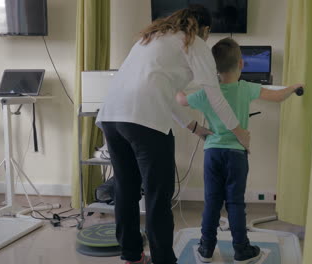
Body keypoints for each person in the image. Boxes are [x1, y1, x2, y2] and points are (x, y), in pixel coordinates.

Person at [95, 6, 251, 264]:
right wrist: (240, 132)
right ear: (205, 29)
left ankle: (132, 256)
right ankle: (164, 259)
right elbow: (215, 96)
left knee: (126, 190)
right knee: (158, 195)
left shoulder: (150, 39)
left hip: (111, 116)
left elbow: (161, 95)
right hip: (144, 121)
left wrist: (194, 127)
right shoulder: (195, 42)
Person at [176, 37, 303, 264]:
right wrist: (293, 88)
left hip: (212, 154)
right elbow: (277, 96)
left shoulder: (206, 93)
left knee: (212, 201)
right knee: (235, 203)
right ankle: (242, 250)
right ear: (241, 64)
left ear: (213, 68)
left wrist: (175, 85)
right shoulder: (246, 88)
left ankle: (205, 249)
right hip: (236, 154)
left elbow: (182, 101)